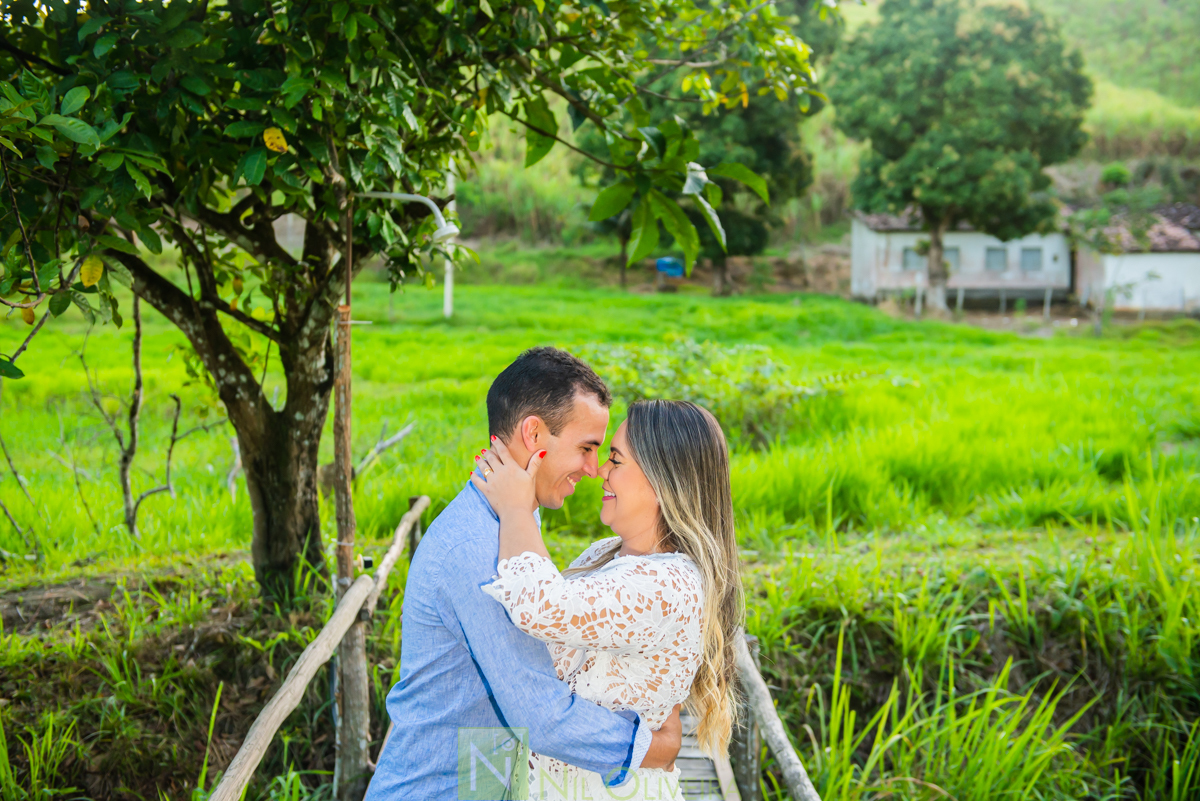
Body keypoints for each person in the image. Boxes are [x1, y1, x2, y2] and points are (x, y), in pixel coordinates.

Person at [366, 347, 683, 801]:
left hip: (483, 776)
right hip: (437, 787)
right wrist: (649, 747)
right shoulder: (477, 546)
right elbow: (540, 713)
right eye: (587, 448)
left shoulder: (513, 520)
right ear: (534, 433)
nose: (594, 470)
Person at [472, 396, 744, 801]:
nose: (599, 470)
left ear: (662, 480)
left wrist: (515, 509)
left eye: (615, 460)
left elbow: (541, 607)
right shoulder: (604, 553)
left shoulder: (668, 584)